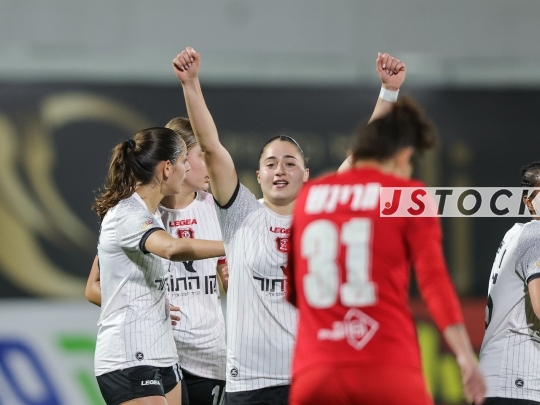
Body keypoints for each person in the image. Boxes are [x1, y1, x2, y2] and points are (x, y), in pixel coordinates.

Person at [171, 47, 401, 405]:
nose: (280, 170)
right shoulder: (240, 213)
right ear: (258, 174)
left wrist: (389, 91)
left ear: (306, 174)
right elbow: (211, 148)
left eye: (290, 163)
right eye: (271, 163)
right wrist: (191, 84)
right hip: (248, 384)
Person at [285, 98, 486, 402]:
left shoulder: (310, 196)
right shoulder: (407, 195)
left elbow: (293, 291)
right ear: (403, 156)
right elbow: (433, 281)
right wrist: (464, 355)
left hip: (315, 372)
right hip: (387, 366)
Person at [92, 127, 225, 405]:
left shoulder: (151, 214)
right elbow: (170, 248)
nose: (187, 168)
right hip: (129, 354)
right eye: (183, 161)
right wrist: (235, 244)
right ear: (166, 168)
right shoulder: (128, 213)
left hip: (163, 353)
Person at [160, 117, 228, 405]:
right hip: (160, 354)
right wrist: (147, 304)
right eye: (203, 155)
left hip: (210, 357)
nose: (212, 164)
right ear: (179, 159)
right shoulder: (144, 212)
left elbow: (228, 276)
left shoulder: (218, 209)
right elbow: (96, 286)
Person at [478, 162, 540, 405]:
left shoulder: (517, 235)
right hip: (515, 381)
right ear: (528, 201)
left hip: (499, 381)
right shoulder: (536, 235)